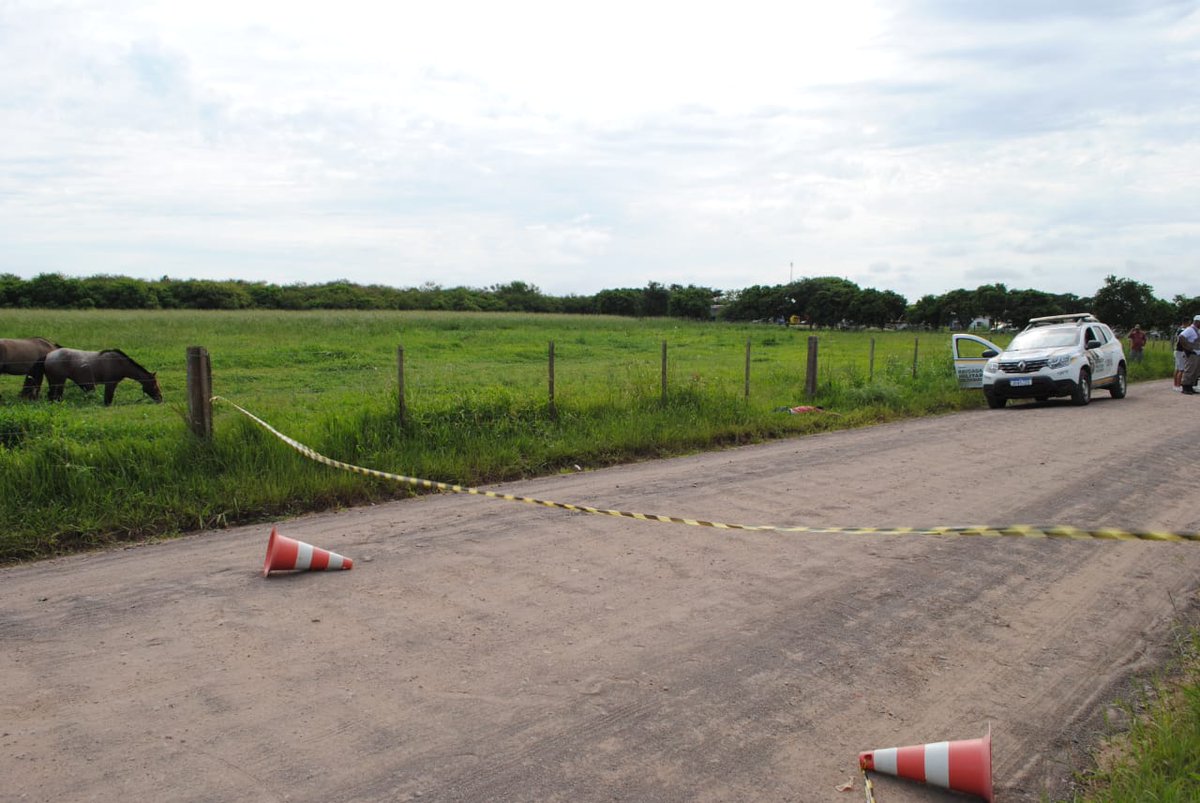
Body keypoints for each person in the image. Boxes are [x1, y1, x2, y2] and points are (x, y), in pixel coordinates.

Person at [1179, 316, 1200, 394]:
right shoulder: (1190, 329)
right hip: (1191, 354)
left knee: (1195, 371)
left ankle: (1190, 387)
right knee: (1189, 370)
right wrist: (1188, 347)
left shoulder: (1197, 330)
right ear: (1197, 322)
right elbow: (1181, 337)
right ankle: (1185, 387)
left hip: (1197, 354)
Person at [1175, 320, 1190, 390]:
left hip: (1177, 350)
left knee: (1178, 369)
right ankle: (1178, 385)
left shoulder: (1179, 330)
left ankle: (1175, 384)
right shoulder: (1183, 331)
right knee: (1181, 369)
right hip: (1181, 351)